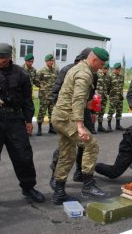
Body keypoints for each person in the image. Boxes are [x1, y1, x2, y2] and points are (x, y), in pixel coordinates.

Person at [0, 43, 45, 212]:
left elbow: (27, 100)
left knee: (23, 156)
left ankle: (28, 188)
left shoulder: (21, 74)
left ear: (9, 57)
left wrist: (28, 121)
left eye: (1, 58)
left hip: (15, 120)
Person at [51, 47, 109, 205]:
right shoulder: (84, 73)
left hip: (60, 117)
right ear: (94, 59)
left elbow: (75, 98)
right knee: (91, 144)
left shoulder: (78, 68)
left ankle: (59, 193)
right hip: (67, 118)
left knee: (67, 154)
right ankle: (88, 185)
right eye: (101, 63)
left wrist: (89, 104)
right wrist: (80, 125)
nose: (102, 67)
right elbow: (77, 99)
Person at [49, 48, 95, 190]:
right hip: (68, 115)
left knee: (81, 148)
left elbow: (89, 95)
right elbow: (56, 92)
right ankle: (55, 178)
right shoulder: (69, 70)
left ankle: (79, 173)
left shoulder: (93, 73)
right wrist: (63, 111)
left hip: (82, 113)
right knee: (67, 150)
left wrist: (92, 110)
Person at [36, 54, 59, 135]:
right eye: (50, 60)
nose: (51, 62)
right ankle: (39, 129)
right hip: (44, 95)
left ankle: (51, 128)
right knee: (42, 111)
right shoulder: (41, 71)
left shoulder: (56, 70)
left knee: (52, 112)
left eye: (52, 60)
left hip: (52, 95)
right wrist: (43, 87)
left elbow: (58, 81)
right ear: (46, 61)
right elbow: (36, 81)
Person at [106, 62, 125, 131]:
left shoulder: (122, 76)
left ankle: (118, 125)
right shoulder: (110, 76)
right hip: (113, 97)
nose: (117, 71)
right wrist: (111, 94)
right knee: (111, 111)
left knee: (119, 111)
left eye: (118, 69)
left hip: (120, 97)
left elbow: (122, 86)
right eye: (116, 69)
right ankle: (109, 125)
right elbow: (108, 87)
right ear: (114, 69)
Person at [96, 62, 111, 133]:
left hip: (104, 96)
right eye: (105, 69)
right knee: (95, 112)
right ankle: (92, 127)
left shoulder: (108, 76)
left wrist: (107, 94)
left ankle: (100, 126)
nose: (106, 70)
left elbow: (108, 87)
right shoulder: (97, 74)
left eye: (107, 69)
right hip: (97, 96)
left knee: (102, 112)